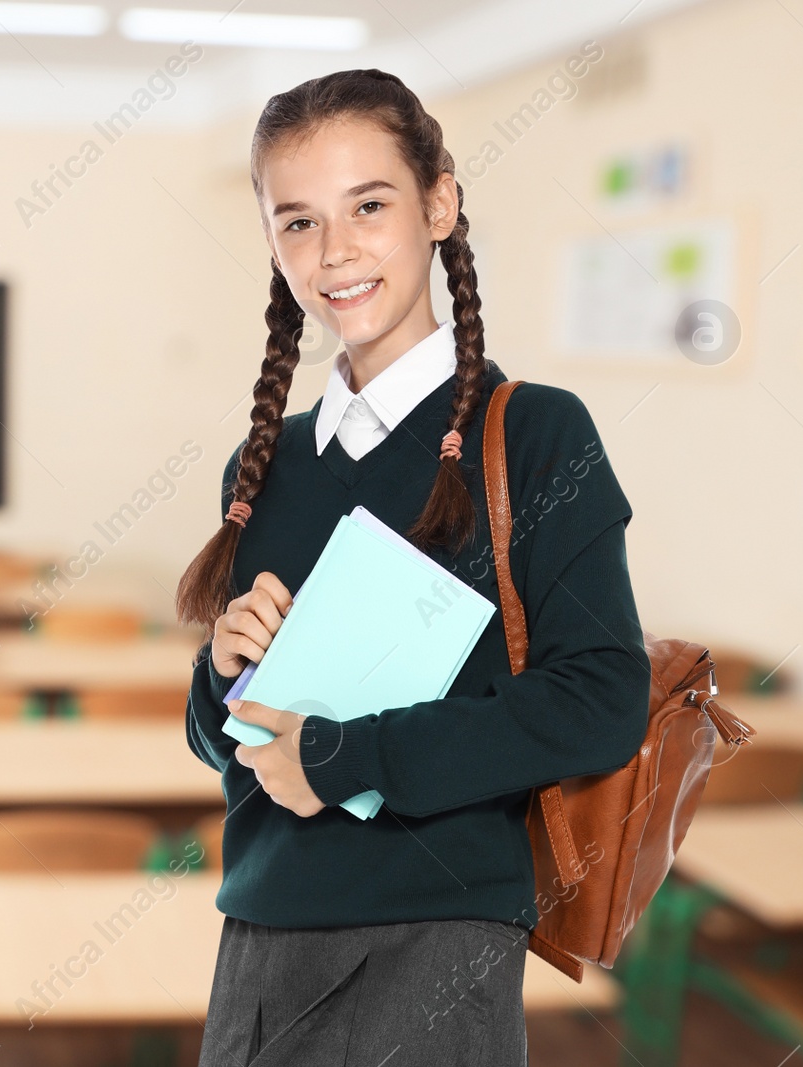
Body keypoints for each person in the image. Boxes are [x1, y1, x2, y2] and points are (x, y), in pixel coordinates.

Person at [176, 68, 652, 1066]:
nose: (335, 250)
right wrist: (223, 674)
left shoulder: (533, 434)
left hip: (434, 937)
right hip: (262, 932)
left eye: (370, 205)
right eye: (297, 222)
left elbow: (600, 698)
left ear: (438, 203)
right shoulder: (265, 463)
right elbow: (232, 748)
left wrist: (345, 758)